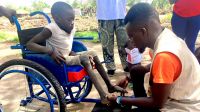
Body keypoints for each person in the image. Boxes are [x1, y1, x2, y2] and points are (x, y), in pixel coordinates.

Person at [26, 2, 127, 104]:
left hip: (68, 56)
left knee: (93, 53)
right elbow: (30, 44)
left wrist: (72, 52)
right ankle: (103, 96)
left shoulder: (71, 27)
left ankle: (110, 86)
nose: (72, 22)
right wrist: (50, 51)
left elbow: (65, 43)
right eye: (69, 19)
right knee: (84, 59)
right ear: (57, 18)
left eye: (73, 19)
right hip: (58, 60)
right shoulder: (51, 28)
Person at [108, 3, 200, 111]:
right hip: (186, 98)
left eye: (132, 36)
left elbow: (157, 103)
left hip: (182, 108)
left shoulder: (164, 55)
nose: (131, 41)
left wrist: (119, 99)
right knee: (136, 70)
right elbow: (160, 67)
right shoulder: (166, 37)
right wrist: (129, 78)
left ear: (143, 31)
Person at [96, 0, 129, 75]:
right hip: (104, 14)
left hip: (121, 13)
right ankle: (110, 67)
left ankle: (126, 64)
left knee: (124, 42)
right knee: (106, 43)